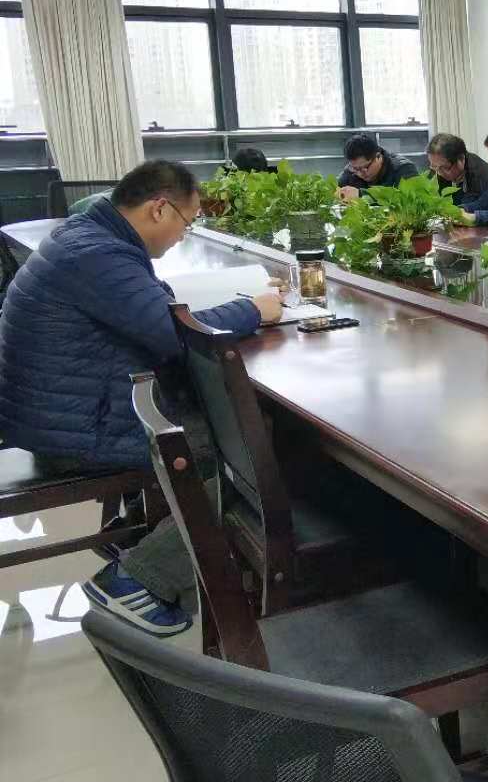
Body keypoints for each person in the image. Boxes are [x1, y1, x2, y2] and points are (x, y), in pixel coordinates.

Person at [0, 161, 281, 638]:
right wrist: (252, 309)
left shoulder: (87, 236)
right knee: (246, 452)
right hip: (75, 432)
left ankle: (151, 530)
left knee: (227, 423)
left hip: (60, 412)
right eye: (186, 223)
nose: (181, 236)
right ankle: (138, 578)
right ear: (159, 209)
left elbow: (152, 310)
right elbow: (174, 333)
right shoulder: (97, 255)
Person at [336, 133, 418, 201]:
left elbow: (408, 199)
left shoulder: (404, 168)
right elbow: (335, 189)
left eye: (365, 168)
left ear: (378, 156)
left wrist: (361, 195)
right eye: (356, 169)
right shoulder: (351, 170)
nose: (360, 173)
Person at [425, 132, 488, 208]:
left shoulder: (483, 175)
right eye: (434, 167)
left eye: (445, 168)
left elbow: (485, 206)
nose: (439, 173)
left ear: (461, 159)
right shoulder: (438, 169)